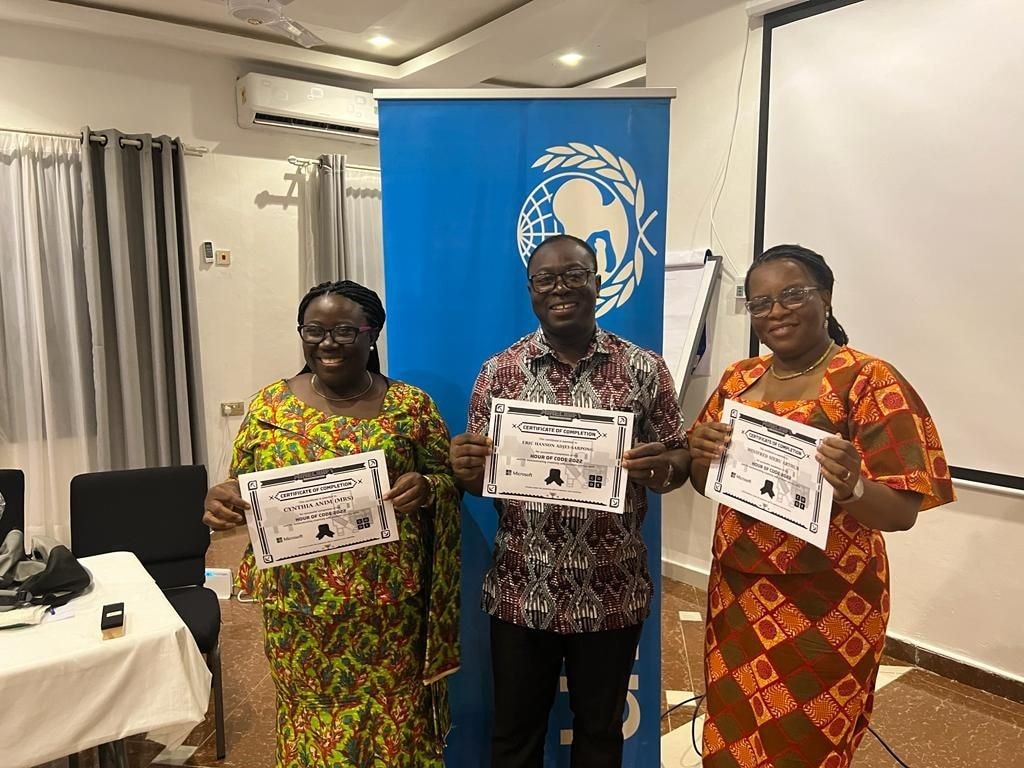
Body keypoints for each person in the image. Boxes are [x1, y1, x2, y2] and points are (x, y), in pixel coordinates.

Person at [688, 244, 955, 767]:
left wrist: (852, 485)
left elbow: (900, 512)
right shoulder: (738, 380)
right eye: (760, 303)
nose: (776, 311)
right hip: (739, 592)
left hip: (829, 601)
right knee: (732, 741)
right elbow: (705, 481)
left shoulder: (868, 380)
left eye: (792, 295)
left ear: (826, 298)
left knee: (804, 746)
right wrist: (700, 456)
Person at [450, 234, 690, 768]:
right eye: (545, 279)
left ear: (598, 283)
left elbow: (680, 461)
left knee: (600, 735)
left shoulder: (644, 369)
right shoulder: (499, 372)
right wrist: (463, 469)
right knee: (514, 737)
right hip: (521, 586)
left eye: (575, 275)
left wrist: (662, 469)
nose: (560, 288)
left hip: (611, 587)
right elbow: (477, 479)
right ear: (531, 290)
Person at [202, 280, 460, 768]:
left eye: (344, 330)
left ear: (372, 334)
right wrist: (224, 500)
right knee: (313, 731)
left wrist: (427, 488)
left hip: (389, 612)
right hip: (302, 612)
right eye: (313, 330)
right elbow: (240, 485)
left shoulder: (412, 407)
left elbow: (446, 478)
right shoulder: (268, 409)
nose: (327, 342)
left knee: (394, 728)